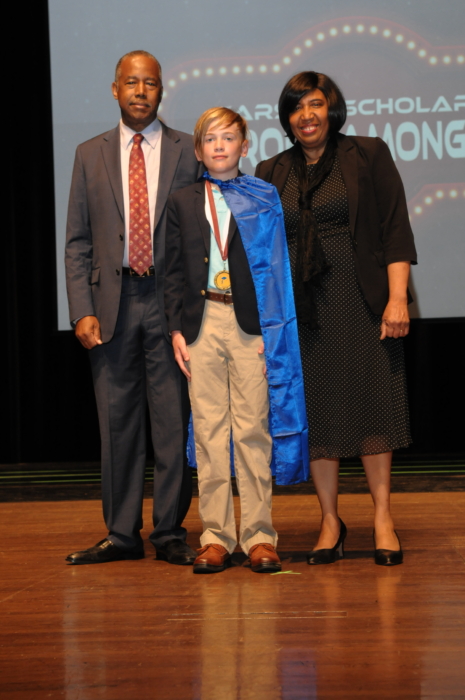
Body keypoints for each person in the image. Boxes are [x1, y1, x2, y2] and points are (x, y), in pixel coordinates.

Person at [255, 72, 417, 567]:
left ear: (332, 110)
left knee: (374, 408)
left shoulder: (367, 154)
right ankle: (330, 520)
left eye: (316, 104)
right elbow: (262, 251)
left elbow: (394, 230)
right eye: (296, 107)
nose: (306, 115)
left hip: (364, 301)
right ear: (286, 118)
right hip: (301, 312)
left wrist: (397, 299)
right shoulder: (271, 170)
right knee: (319, 413)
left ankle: (382, 517)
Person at [64, 50, 201, 565]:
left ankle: (169, 532)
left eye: (150, 83)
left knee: (172, 423)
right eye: (131, 83)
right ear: (115, 89)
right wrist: (81, 309)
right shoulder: (88, 154)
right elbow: (77, 241)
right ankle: (121, 534)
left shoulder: (188, 151)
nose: (141, 92)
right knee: (117, 425)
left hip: (170, 305)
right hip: (110, 306)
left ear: (162, 89)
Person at [164, 107, 308, 573]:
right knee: (209, 431)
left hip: (251, 328)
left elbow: (277, 270)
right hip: (201, 324)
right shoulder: (182, 201)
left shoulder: (263, 197)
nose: (219, 146)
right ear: (198, 149)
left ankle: (260, 536)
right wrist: (176, 330)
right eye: (210, 139)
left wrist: (272, 330)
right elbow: (171, 271)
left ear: (245, 146)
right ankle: (216, 537)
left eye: (228, 137)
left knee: (251, 430)